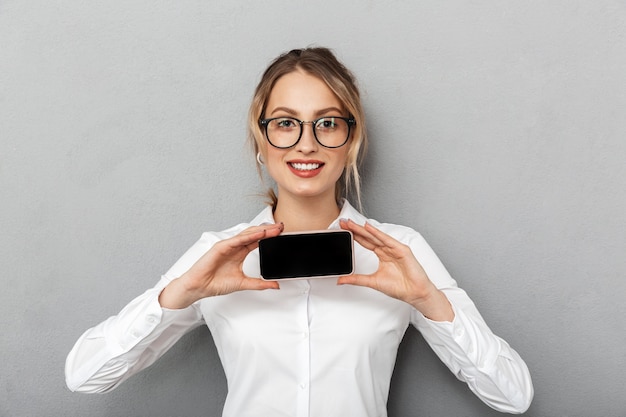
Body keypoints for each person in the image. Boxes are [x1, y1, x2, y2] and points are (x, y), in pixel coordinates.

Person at [65, 47, 533, 416]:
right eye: (285, 123)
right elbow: (84, 376)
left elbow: (514, 396)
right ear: (260, 141)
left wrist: (430, 303)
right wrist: (175, 297)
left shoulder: (401, 251)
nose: (306, 143)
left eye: (327, 123)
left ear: (351, 141)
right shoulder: (216, 255)